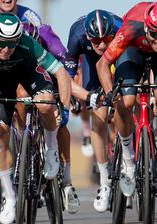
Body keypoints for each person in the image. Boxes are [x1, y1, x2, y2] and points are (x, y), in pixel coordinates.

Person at [0, 13, 73, 224]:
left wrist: (65, 107)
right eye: (2, 44)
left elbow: (60, 73)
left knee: (46, 104)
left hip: (29, 76)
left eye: (11, 44)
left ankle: (50, 150)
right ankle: (10, 197)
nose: (6, 49)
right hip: (0, 86)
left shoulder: (28, 44)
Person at [96, 1, 157, 206]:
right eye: (156, 34)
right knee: (126, 100)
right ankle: (129, 160)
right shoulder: (132, 27)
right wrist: (109, 93)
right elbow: (103, 63)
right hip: (133, 49)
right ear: (147, 27)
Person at [64, 9, 122, 212]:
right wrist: (84, 97)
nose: (102, 45)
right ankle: (105, 182)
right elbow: (68, 80)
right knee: (99, 117)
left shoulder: (121, 28)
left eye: (106, 39)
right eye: (96, 41)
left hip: (119, 56)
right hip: (92, 62)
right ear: (88, 36)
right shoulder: (76, 34)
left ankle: (131, 154)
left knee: (126, 101)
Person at [24, 22, 81, 214]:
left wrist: (65, 103)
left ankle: (67, 181)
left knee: (60, 123)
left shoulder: (48, 38)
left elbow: (66, 74)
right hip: (25, 75)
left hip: (52, 73)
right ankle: (24, 154)